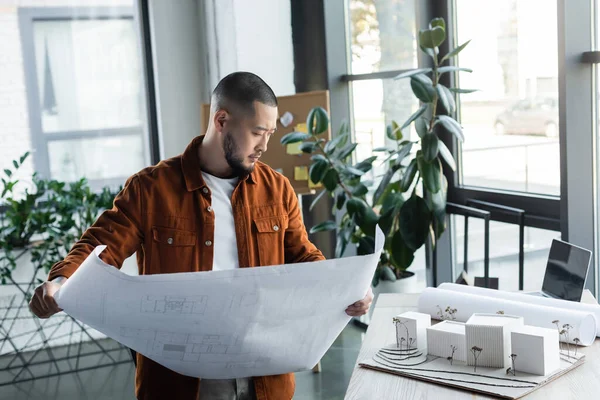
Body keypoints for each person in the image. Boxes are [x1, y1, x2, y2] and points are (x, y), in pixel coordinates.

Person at [29, 71, 373, 400]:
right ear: (221, 121)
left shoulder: (277, 190)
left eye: (269, 133)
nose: (264, 146)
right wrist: (60, 283)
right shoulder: (151, 189)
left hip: (265, 374)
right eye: (257, 132)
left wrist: (348, 288)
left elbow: (304, 257)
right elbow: (99, 246)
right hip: (181, 382)